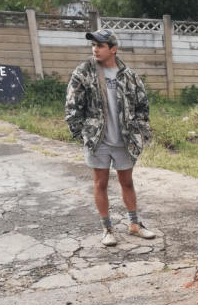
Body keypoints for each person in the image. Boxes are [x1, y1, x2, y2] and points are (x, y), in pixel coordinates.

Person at [65, 29, 155, 247]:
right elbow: (72, 106)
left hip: (124, 140)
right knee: (100, 183)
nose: (95, 49)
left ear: (113, 49)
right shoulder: (83, 73)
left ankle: (134, 224)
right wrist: (83, 135)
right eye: (93, 45)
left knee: (127, 182)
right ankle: (107, 228)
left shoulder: (129, 76)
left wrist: (140, 130)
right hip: (98, 141)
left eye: (100, 45)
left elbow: (143, 106)